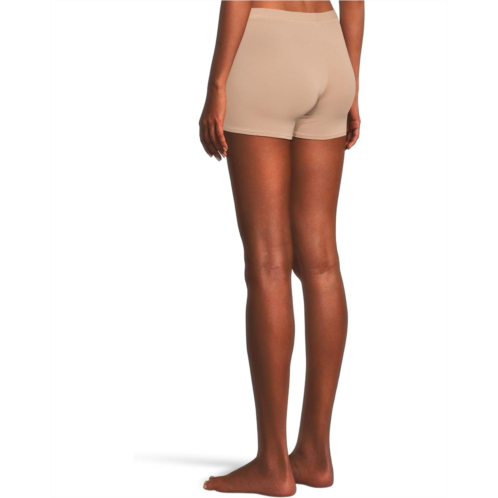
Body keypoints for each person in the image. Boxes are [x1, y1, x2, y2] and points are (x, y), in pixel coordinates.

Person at [199, 0, 364, 495]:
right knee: (322, 263)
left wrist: (217, 83)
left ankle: (273, 464)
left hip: (265, 46)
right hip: (330, 50)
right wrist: (351, 82)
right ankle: (314, 454)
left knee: (269, 263)